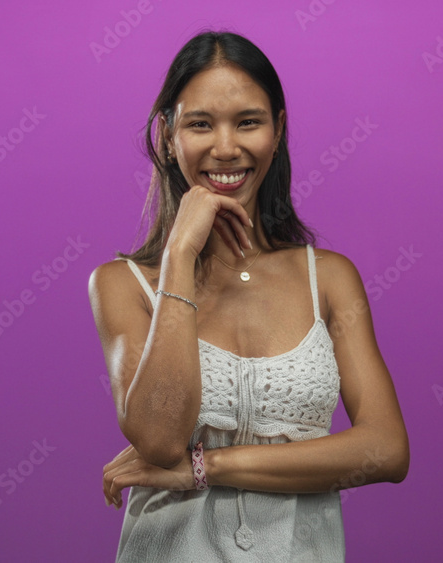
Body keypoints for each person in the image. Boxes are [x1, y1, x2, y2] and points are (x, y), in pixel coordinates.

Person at [88, 30, 409, 562]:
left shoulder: (329, 279)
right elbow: (160, 440)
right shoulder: (122, 284)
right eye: (200, 124)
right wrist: (179, 257)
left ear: (277, 131)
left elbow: (386, 449)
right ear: (167, 136)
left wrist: (206, 467)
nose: (225, 147)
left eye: (248, 122)